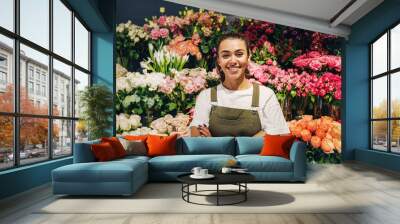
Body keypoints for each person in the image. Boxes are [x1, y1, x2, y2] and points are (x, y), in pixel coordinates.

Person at [189, 33, 290, 137]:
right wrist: (263, 134)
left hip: (254, 154)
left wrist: (213, 141)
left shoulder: (265, 95)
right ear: (219, 60)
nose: (233, 61)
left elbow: (280, 134)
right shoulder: (206, 96)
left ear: (248, 57)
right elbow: (197, 134)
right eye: (226, 55)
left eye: (239, 54)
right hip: (215, 154)